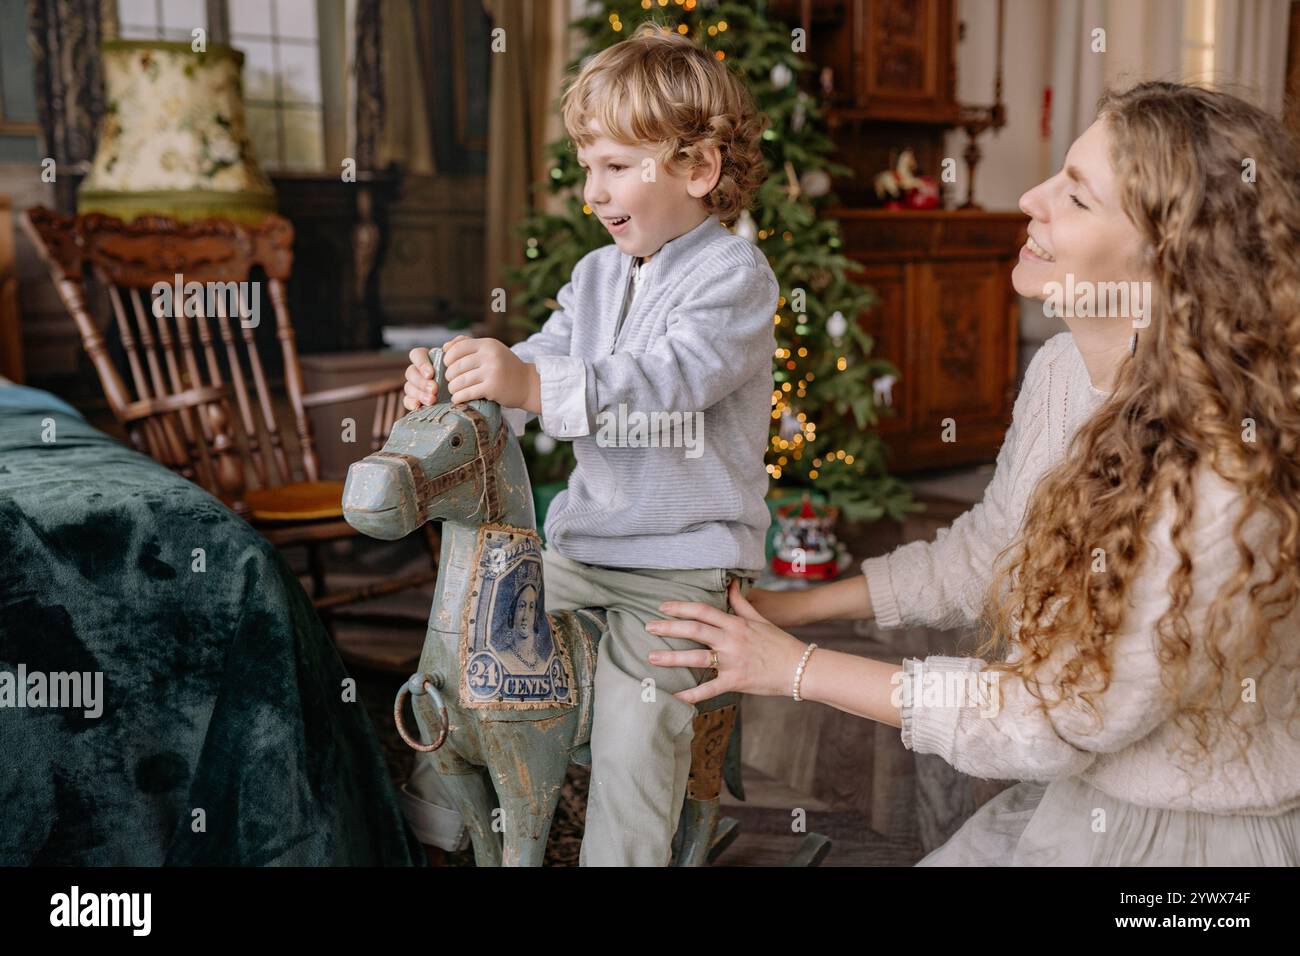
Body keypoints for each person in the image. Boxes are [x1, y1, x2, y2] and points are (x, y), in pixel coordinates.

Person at [648, 81, 1300, 865]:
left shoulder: (1220, 477)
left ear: (1169, 257)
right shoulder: (1063, 370)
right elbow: (995, 547)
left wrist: (799, 672)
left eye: (1077, 197)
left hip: (1196, 840)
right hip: (1091, 794)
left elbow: (1053, 716)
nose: (1031, 198)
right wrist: (798, 608)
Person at [402, 25, 777, 865]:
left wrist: (532, 387)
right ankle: (434, 829)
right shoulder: (599, 273)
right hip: (580, 548)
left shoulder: (735, 280)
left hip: (679, 572)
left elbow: (667, 382)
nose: (590, 191)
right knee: (469, 646)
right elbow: (539, 361)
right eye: (584, 166)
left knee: (634, 736)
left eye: (613, 167)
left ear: (698, 169)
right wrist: (465, 376)